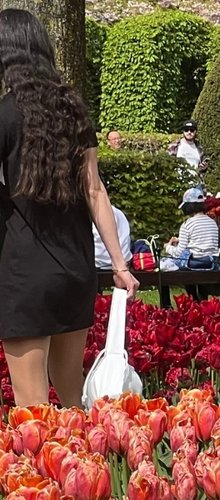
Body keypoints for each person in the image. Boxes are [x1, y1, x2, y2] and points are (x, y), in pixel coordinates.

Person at [0, 8, 139, 408]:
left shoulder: (7, 115)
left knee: (33, 410)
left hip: (25, 271)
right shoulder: (74, 113)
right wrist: (119, 264)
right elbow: (96, 190)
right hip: (74, 270)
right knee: (73, 397)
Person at [161, 188, 219, 271]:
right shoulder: (212, 222)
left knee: (165, 263)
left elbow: (178, 253)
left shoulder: (187, 224)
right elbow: (202, 241)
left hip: (195, 264)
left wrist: (167, 247)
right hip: (212, 263)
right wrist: (180, 239)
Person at [167, 120, 207, 188]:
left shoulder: (199, 148)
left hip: (196, 184)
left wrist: (203, 167)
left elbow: (201, 166)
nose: (189, 132)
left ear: (195, 131)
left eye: (192, 130)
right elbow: (167, 164)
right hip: (179, 184)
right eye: (186, 130)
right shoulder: (174, 146)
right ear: (183, 131)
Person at [92, 205, 132, 270]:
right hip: (124, 262)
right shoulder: (117, 212)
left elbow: (98, 253)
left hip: (104, 266)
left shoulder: (101, 213)